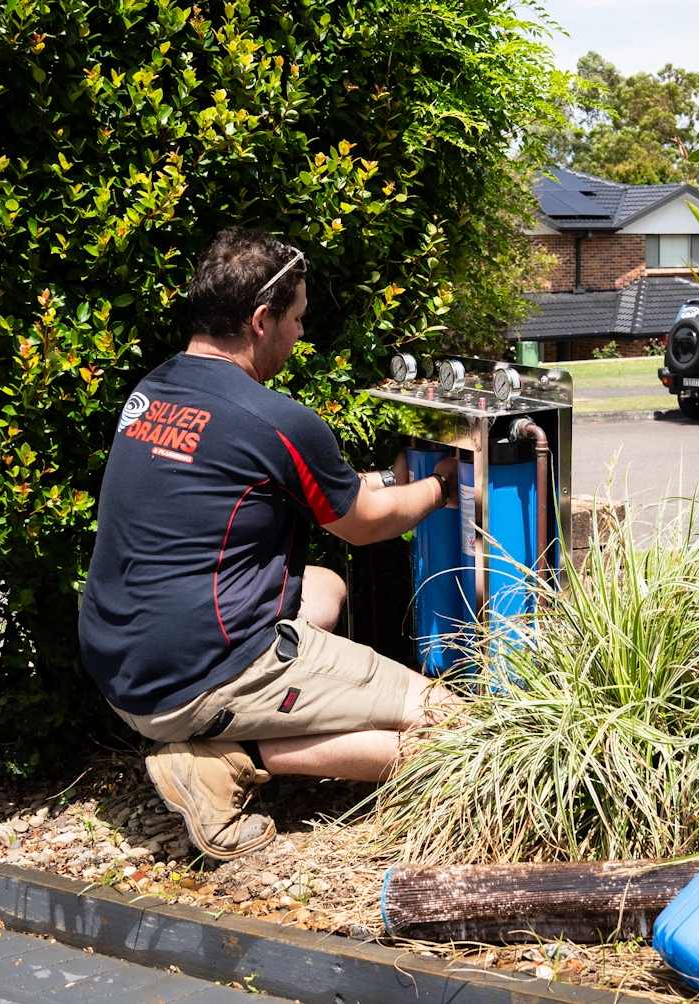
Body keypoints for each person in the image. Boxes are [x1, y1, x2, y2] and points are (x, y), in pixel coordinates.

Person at [78, 227, 458, 860]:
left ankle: (229, 726)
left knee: (327, 590)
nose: (301, 334)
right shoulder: (272, 417)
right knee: (453, 731)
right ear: (261, 320)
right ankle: (227, 758)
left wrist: (394, 478)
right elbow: (362, 525)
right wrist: (440, 489)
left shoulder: (153, 391)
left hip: (124, 665)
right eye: (298, 319)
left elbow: (316, 491)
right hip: (200, 673)